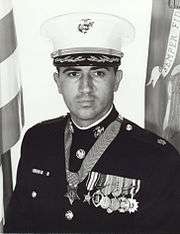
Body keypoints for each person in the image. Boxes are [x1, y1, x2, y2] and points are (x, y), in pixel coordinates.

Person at [4, 12, 180, 233]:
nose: (85, 87)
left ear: (117, 80)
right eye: (73, 74)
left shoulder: (158, 158)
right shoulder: (38, 141)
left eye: (98, 73)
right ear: (58, 82)